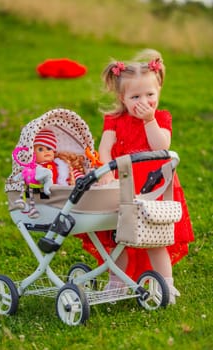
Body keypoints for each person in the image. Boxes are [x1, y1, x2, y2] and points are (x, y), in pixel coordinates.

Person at [80, 49, 194, 304]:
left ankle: (166, 284)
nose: (144, 100)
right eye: (136, 96)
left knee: (155, 238)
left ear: (159, 92)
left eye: (150, 95)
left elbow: (160, 146)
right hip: (123, 185)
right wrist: (106, 171)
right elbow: (106, 148)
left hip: (153, 187)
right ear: (122, 97)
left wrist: (149, 120)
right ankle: (117, 282)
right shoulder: (114, 120)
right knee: (116, 236)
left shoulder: (161, 117)